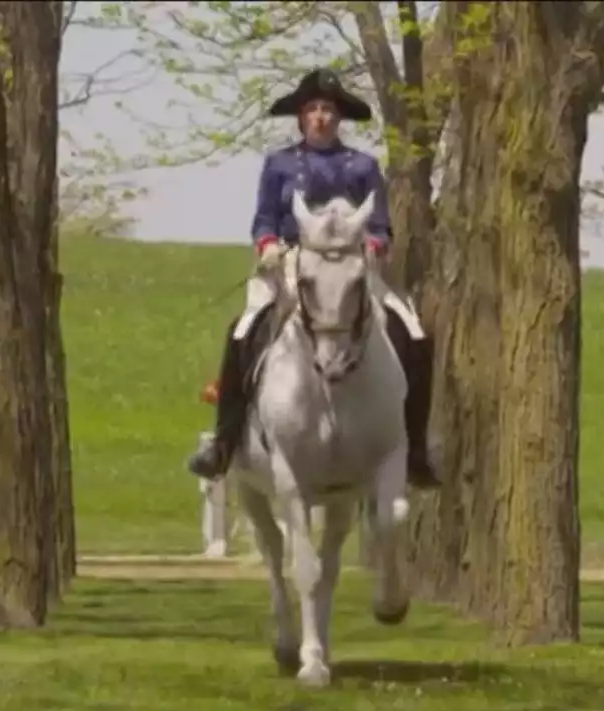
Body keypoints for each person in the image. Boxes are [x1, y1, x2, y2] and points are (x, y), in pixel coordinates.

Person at [186, 68, 440, 489]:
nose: (321, 117)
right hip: (290, 266)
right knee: (241, 330)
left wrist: (375, 247)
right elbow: (265, 216)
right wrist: (267, 243)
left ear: (338, 119)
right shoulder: (280, 164)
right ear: (301, 117)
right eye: (313, 110)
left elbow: (379, 225)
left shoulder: (362, 166)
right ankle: (225, 442)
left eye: (328, 110)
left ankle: (414, 449)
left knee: (413, 335)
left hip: (353, 270)